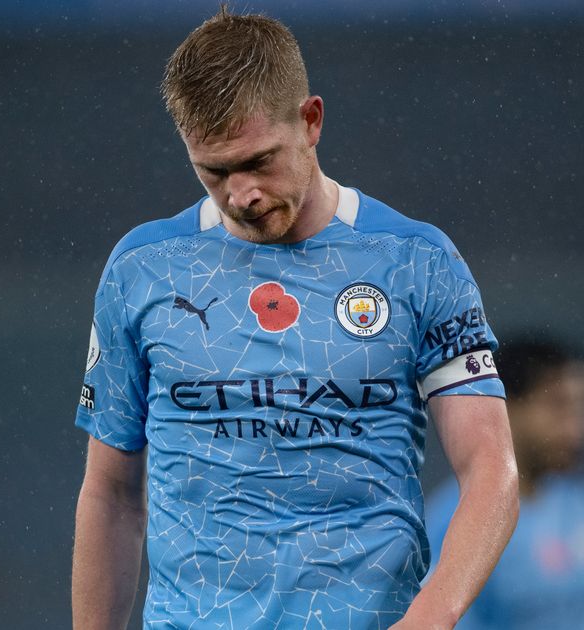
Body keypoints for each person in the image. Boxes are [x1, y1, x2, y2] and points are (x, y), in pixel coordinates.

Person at [71, 8, 519, 629]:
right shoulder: (142, 270)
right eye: (214, 172)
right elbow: (111, 494)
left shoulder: (417, 261)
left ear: (310, 121)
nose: (241, 195)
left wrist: (431, 616)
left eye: (259, 161)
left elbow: (492, 470)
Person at [425, 336, 584, 629]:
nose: (580, 429)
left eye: (583, 408)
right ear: (505, 405)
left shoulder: (581, 500)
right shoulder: (454, 519)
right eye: (558, 406)